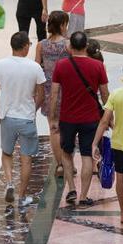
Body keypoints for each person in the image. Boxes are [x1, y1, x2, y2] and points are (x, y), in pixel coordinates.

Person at [50, 31, 110, 207]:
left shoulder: (61, 66)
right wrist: (108, 116)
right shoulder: (98, 66)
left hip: (67, 117)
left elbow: (54, 95)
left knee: (67, 153)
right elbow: (105, 95)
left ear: (70, 48)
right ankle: (83, 196)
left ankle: (71, 189)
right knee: (87, 156)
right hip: (91, 118)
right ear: (86, 46)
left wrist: (53, 119)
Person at [0, 32, 47, 208]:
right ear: (25, 47)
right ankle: (22, 197)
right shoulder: (35, 67)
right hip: (27, 118)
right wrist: (33, 109)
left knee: (7, 153)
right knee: (26, 158)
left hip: (7, 117)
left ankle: (9, 183)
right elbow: (41, 94)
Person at [93, 58, 123, 239]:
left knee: (121, 179)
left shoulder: (116, 94)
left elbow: (105, 121)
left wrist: (94, 143)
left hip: (119, 144)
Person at [36, 10, 70, 177]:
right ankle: (68, 161)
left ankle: (60, 164)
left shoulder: (41, 45)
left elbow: (37, 68)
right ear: (63, 25)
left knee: (53, 128)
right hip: (66, 90)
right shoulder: (67, 45)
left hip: (48, 91)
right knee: (67, 128)